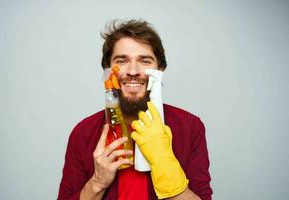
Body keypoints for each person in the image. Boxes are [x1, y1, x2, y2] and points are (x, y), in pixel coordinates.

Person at [58, 19, 212, 200]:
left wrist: (164, 164)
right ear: (108, 70)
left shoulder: (190, 127)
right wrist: (98, 182)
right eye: (121, 60)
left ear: (160, 70)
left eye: (145, 60)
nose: (133, 71)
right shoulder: (83, 133)